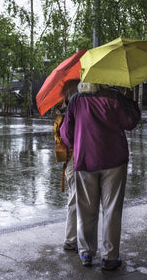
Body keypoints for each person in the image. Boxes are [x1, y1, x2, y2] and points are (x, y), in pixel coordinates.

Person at [60, 82, 140, 270]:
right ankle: (110, 257)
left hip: (86, 160)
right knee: (112, 209)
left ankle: (86, 252)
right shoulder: (115, 96)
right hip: (114, 161)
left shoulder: (76, 100)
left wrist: (79, 143)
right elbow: (131, 122)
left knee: (86, 209)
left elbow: (66, 133)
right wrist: (130, 101)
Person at [55, 79, 80, 252]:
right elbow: (68, 137)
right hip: (74, 160)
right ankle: (71, 239)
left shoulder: (65, 111)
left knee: (75, 199)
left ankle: (74, 238)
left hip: (72, 161)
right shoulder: (69, 112)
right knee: (75, 200)